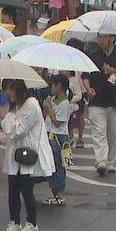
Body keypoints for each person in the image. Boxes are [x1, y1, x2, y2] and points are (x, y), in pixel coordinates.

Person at [0, 79, 56, 231]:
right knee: (13, 189)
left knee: (26, 189)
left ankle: (32, 224)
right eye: (5, 89)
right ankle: (14, 222)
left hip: (27, 153)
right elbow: (10, 132)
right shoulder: (15, 106)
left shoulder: (31, 105)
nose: (7, 93)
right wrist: (1, 138)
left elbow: (17, 130)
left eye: (10, 88)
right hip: (15, 154)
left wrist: (5, 116)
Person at [84, 33, 116, 176]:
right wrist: (88, 88)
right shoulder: (93, 54)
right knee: (99, 132)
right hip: (97, 100)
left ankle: (110, 162)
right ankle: (101, 161)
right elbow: (86, 76)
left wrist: (113, 71)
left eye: (104, 37)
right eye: (99, 37)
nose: (100, 40)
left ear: (112, 38)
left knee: (112, 134)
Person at [43, 74, 77, 206]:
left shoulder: (64, 103)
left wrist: (49, 108)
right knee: (51, 165)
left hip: (58, 138)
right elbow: (45, 116)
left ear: (59, 86)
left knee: (59, 166)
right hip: (50, 135)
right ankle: (55, 193)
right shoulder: (52, 99)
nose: (51, 88)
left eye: (53, 85)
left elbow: (57, 123)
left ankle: (60, 194)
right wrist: (46, 106)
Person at [66, 38, 89, 149]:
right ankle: (70, 136)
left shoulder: (83, 60)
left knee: (80, 115)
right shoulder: (65, 59)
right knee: (68, 116)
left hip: (81, 91)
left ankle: (80, 138)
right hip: (69, 91)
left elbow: (86, 76)